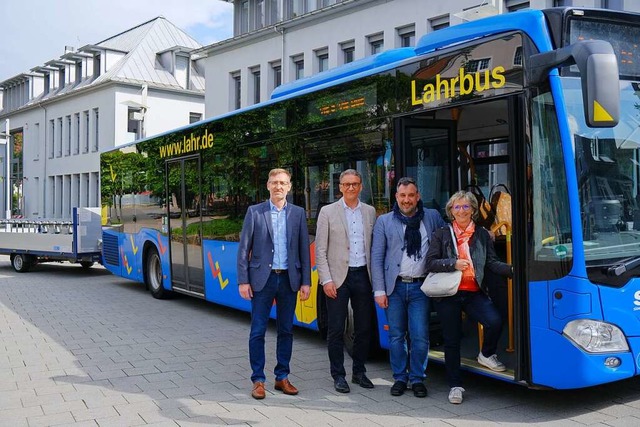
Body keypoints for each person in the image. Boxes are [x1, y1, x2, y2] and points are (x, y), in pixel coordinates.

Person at [425, 190, 513, 405]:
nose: (461, 210)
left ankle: (486, 354)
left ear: (473, 210)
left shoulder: (482, 234)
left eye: (466, 207)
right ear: (451, 211)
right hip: (449, 294)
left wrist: (513, 269)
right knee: (452, 340)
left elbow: (491, 263)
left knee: (494, 321)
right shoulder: (442, 233)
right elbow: (430, 263)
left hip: (473, 292)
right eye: (457, 207)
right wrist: (453, 264)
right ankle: (455, 385)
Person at [237, 168, 311, 400]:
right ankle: (258, 380)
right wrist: (243, 281)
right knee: (258, 330)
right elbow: (243, 250)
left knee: (286, 330)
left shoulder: (298, 213)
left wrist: (306, 282)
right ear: (267, 186)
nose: (278, 186)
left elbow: (303, 251)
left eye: (283, 182)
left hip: (289, 279)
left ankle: (282, 377)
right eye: (274, 182)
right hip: (262, 280)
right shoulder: (255, 212)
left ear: (289, 186)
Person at [371, 177, 445, 397]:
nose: (406, 200)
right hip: (394, 287)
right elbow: (377, 257)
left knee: (420, 336)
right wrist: (379, 290)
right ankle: (400, 378)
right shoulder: (384, 221)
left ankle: (418, 378)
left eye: (411, 195)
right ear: (396, 197)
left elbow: (449, 239)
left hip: (421, 287)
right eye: (402, 196)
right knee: (396, 336)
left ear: (417, 196)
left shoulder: (432, 217)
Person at [315, 169, 377, 393]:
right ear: (340, 187)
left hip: (363, 275)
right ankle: (338, 375)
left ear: (361, 186)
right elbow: (320, 251)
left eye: (355, 184)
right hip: (338, 278)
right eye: (347, 184)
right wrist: (326, 281)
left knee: (363, 328)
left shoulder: (370, 212)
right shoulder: (328, 212)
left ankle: (359, 372)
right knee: (336, 329)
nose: (351, 187)